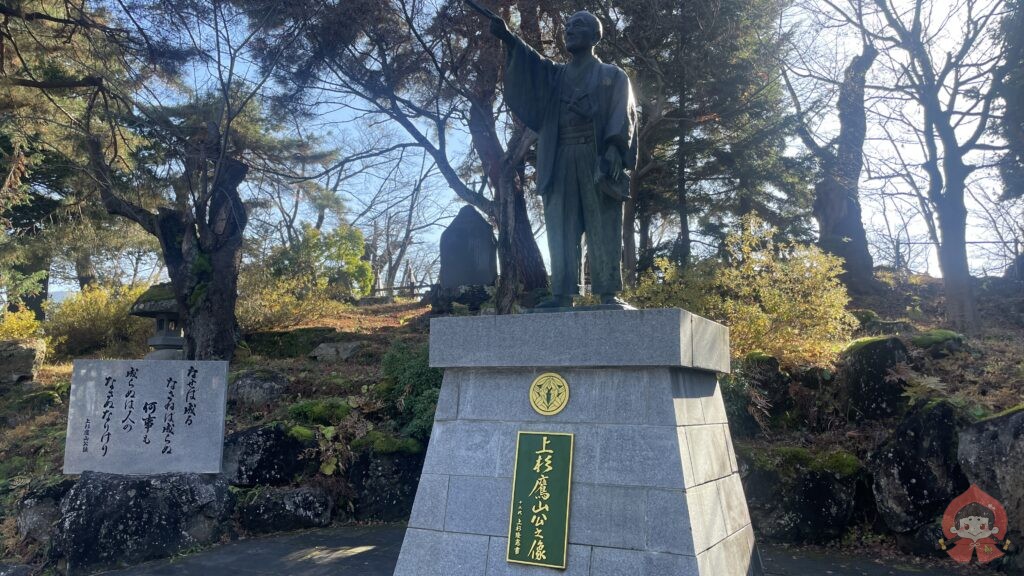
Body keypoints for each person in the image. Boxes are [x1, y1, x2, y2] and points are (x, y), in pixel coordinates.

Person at [487, 9, 638, 310]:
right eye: (567, 26)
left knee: (603, 221)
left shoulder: (612, 76)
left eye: (578, 26)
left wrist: (613, 148)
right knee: (561, 226)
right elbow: (533, 63)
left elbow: (625, 113)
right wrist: (510, 40)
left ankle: (608, 292)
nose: (568, 30)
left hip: (596, 155)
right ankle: (562, 292)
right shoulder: (556, 76)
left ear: (596, 36)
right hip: (560, 155)